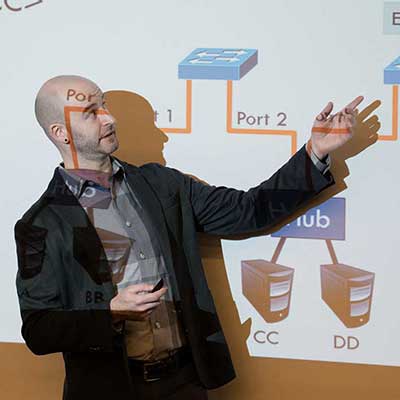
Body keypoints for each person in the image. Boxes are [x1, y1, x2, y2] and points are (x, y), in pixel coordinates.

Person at [14, 75, 362, 400]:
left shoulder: (163, 185)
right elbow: (40, 330)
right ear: (61, 132)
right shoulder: (41, 223)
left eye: (104, 105)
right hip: (109, 389)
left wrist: (315, 154)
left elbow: (249, 210)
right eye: (91, 112)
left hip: (185, 384)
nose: (109, 118)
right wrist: (109, 312)